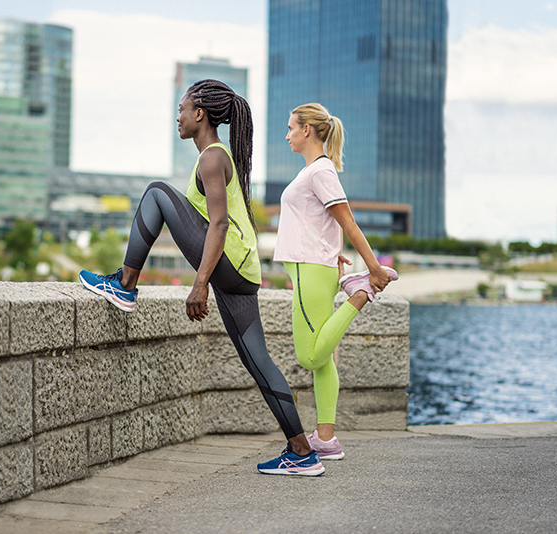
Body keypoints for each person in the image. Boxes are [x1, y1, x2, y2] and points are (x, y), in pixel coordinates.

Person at [79, 79, 324, 476]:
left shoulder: (212, 157)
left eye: (182, 109)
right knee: (258, 361)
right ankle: (302, 451)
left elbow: (220, 224)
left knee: (157, 193)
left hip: (227, 262)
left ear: (200, 114)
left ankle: (124, 286)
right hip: (244, 272)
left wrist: (199, 284)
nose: (177, 117)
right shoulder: (216, 156)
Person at [274, 103, 398, 461]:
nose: (287, 135)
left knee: (309, 356)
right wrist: (334, 252)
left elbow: (348, 221)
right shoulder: (315, 171)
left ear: (307, 130)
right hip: (315, 266)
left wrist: (373, 270)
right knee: (324, 359)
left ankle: (359, 295)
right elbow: (325, 222)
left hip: (310, 269)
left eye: (291, 128)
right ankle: (326, 438)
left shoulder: (320, 171)